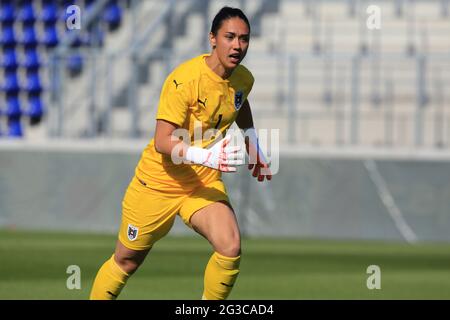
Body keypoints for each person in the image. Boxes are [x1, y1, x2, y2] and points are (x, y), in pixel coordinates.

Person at [89, 6, 271, 300]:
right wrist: (207, 156)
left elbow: (240, 101)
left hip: (201, 182)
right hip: (159, 183)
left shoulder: (243, 79)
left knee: (230, 246)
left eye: (244, 39)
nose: (237, 45)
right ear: (212, 38)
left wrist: (252, 142)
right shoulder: (184, 80)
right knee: (126, 261)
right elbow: (162, 141)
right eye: (230, 37)